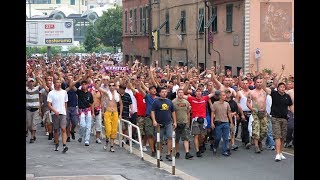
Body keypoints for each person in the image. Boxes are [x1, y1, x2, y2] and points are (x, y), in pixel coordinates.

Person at [264, 82, 293, 161]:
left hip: (284, 118)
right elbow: (265, 88)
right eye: (281, 87)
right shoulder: (274, 94)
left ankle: (280, 152)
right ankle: (277, 154)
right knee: (277, 136)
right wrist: (264, 79)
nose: (282, 88)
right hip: (275, 118)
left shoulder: (287, 96)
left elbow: (290, 105)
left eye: (284, 87)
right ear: (278, 88)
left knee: (283, 136)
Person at [96, 80, 123, 152]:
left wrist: (120, 114)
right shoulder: (106, 93)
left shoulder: (118, 95)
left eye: (113, 85)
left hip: (115, 113)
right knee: (108, 129)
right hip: (107, 112)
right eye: (110, 85)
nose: (111, 87)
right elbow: (97, 87)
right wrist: (102, 80)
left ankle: (111, 146)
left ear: (115, 87)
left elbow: (121, 104)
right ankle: (107, 141)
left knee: (114, 130)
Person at [151, 87, 177, 161]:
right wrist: (154, 121)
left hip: (168, 123)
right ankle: (159, 154)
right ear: (159, 93)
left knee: (170, 138)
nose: (164, 93)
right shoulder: (156, 102)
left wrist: (175, 121)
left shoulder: (169, 102)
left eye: (165, 92)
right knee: (159, 139)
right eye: (163, 92)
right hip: (159, 123)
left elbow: (173, 112)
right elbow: (152, 111)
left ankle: (168, 154)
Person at [246, 76, 268, 153]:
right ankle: (256, 146)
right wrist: (252, 109)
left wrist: (265, 110)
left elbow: (265, 102)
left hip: (263, 113)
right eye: (257, 82)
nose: (259, 84)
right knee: (256, 129)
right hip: (255, 112)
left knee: (264, 130)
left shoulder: (264, 92)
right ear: (255, 83)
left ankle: (259, 141)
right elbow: (247, 103)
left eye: (260, 82)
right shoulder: (251, 92)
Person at [70, 80, 95, 146]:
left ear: (87, 85)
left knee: (88, 126)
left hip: (88, 110)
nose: (84, 85)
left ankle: (87, 140)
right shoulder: (79, 92)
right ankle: (81, 136)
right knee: (83, 125)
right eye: (83, 84)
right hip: (81, 111)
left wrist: (93, 113)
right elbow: (72, 86)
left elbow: (92, 103)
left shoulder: (90, 93)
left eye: (85, 84)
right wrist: (78, 79)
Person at [47, 78, 69, 153]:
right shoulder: (51, 93)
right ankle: (56, 143)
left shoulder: (64, 92)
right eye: (57, 82)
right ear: (54, 84)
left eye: (60, 82)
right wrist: (54, 110)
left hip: (63, 113)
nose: (59, 84)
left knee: (63, 129)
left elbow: (66, 102)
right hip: (55, 113)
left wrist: (65, 111)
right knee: (56, 130)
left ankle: (64, 145)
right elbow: (49, 104)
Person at [211, 91, 234, 156]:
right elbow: (212, 113)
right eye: (223, 95)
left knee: (226, 138)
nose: (225, 96)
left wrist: (231, 122)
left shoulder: (227, 104)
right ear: (220, 96)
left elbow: (229, 113)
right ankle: (215, 146)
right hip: (218, 123)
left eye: (225, 95)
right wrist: (212, 122)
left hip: (226, 122)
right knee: (217, 137)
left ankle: (224, 151)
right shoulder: (215, 104)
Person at [172, 89, 193, 159]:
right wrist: (174, 122)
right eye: (179, 92)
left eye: (182, 92)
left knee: (186, 138)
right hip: (176, 123)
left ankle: (187, 153)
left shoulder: (186, 102)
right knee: (176, 139)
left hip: (184, 122)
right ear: (177, 93)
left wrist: (188, 122)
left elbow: (188, 112)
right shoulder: (173, 102)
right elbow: (172, 112)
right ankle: (177, 152)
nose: (181, 94)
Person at [26, 77, 42, 143]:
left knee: (34, 124)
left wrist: (39, 79)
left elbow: (43, 85)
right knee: (29, 124)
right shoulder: (26, 89)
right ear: (28, 83)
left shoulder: (37, 88)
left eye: (32, 81)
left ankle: (32, 137)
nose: (31, 83)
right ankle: (33, 134)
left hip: (35, 109)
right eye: (30, 82)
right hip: (28, 109)